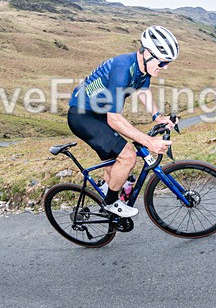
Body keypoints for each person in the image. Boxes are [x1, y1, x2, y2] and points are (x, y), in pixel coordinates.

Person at [67, 25, 179, 217]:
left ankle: (105, 193)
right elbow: (114, 118)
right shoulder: (123, 68)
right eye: (162, 63)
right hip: (83, 115)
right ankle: (110, 203)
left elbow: (143, 91)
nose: (165, 67)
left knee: (115, 162)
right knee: (128, 156)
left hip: (98, 114)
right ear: (148, 54)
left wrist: (157, 117)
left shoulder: (143, 68)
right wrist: (149, 141)